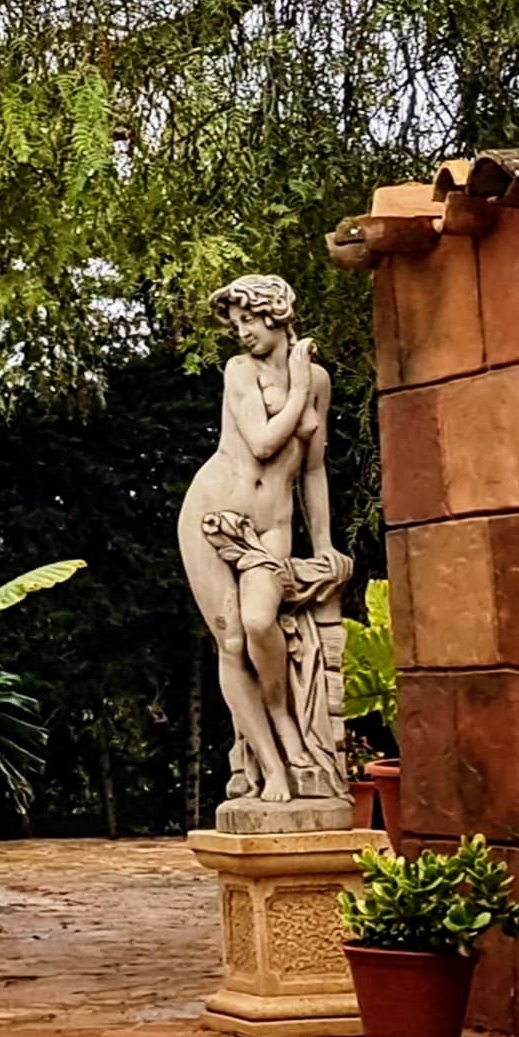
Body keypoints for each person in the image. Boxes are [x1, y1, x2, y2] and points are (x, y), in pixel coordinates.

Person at [176, 274, 347, 804]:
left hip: (272, 526)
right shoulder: (240, 372)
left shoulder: (316, 379)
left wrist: (322, 545)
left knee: (258, 623)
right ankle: (274, 765)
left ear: (277, 314)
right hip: (212, 515)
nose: (242, 332)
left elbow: (312, 470)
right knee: (232, 641)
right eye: (236, 323)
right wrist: (296, 388)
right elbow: (264, 441)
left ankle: (281, 715)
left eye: (249, 319)